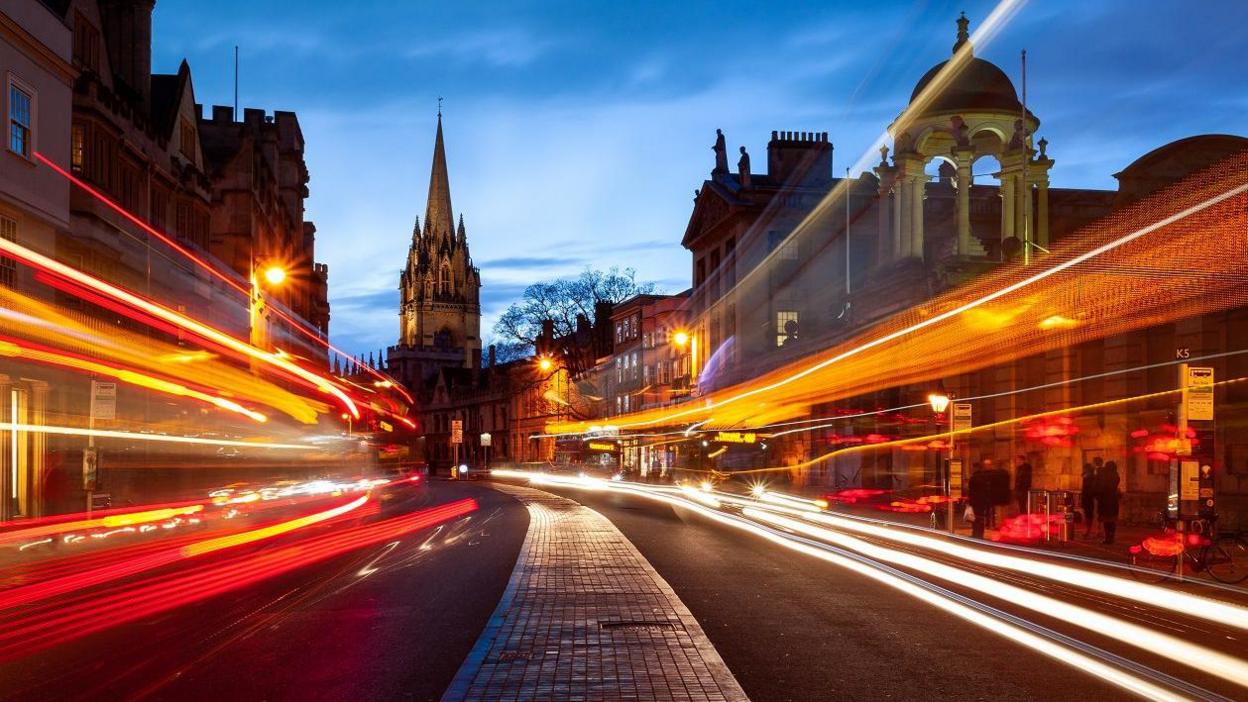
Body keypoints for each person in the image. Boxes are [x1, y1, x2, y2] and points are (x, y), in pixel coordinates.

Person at [967, 462, 993, 539]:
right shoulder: (984, 477)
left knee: (975, 518)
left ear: (975, 468)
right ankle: (980, 534)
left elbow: (971, 490)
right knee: (981, 517)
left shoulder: (974, 477)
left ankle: (975, 533)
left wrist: (969, 500)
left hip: (975, 500)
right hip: (983, 501)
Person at [1098, 460, 1121, 544]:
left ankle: (1108, 537)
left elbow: (1102, 487)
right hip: (1114, 501)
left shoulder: (1106, 476)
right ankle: (1111, 537)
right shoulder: (1116, 475)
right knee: (1112, 521)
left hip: (1106, 501)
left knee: (1107, 521)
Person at [1082, 459, 1101, 539]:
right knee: (1089, 515)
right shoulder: (1088, 476)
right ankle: (1090, 530)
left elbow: (1090, 488)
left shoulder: (1091, 477)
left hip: (1091, 498)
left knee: (1092, 515)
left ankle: (1093, 531)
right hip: (1088, 498)